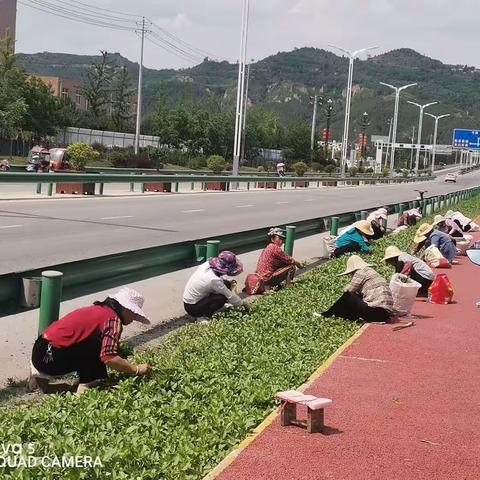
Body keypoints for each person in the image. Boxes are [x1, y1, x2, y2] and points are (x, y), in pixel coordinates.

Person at [31, 287, 151, 395]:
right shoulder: (112, 320)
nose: (134, 319)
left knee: (94, 343)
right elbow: (109, 357)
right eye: (134, 313)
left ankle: (41, 378)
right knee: (100, 349)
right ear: (125, 309)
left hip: (39, 350)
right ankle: (85, 388)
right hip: (50, 360)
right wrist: (136, 369)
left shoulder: (99, 310)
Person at [323, 255, 393, 323]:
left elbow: (349, 290)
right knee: (355, 298)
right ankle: (339, 315)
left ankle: (328, 314)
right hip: (385, 314)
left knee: (348, 296)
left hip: (377, 311)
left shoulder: (361, 272)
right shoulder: (371, 272)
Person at [183, 251, 247, 320]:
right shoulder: (213, 280)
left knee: (227, 284)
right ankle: (203, 316)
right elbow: (229, 295)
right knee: (222, 298)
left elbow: (221, 282)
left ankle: (215, 307)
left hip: (194, 300)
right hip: (193, 307)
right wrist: (243, 304)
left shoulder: (207, 265)